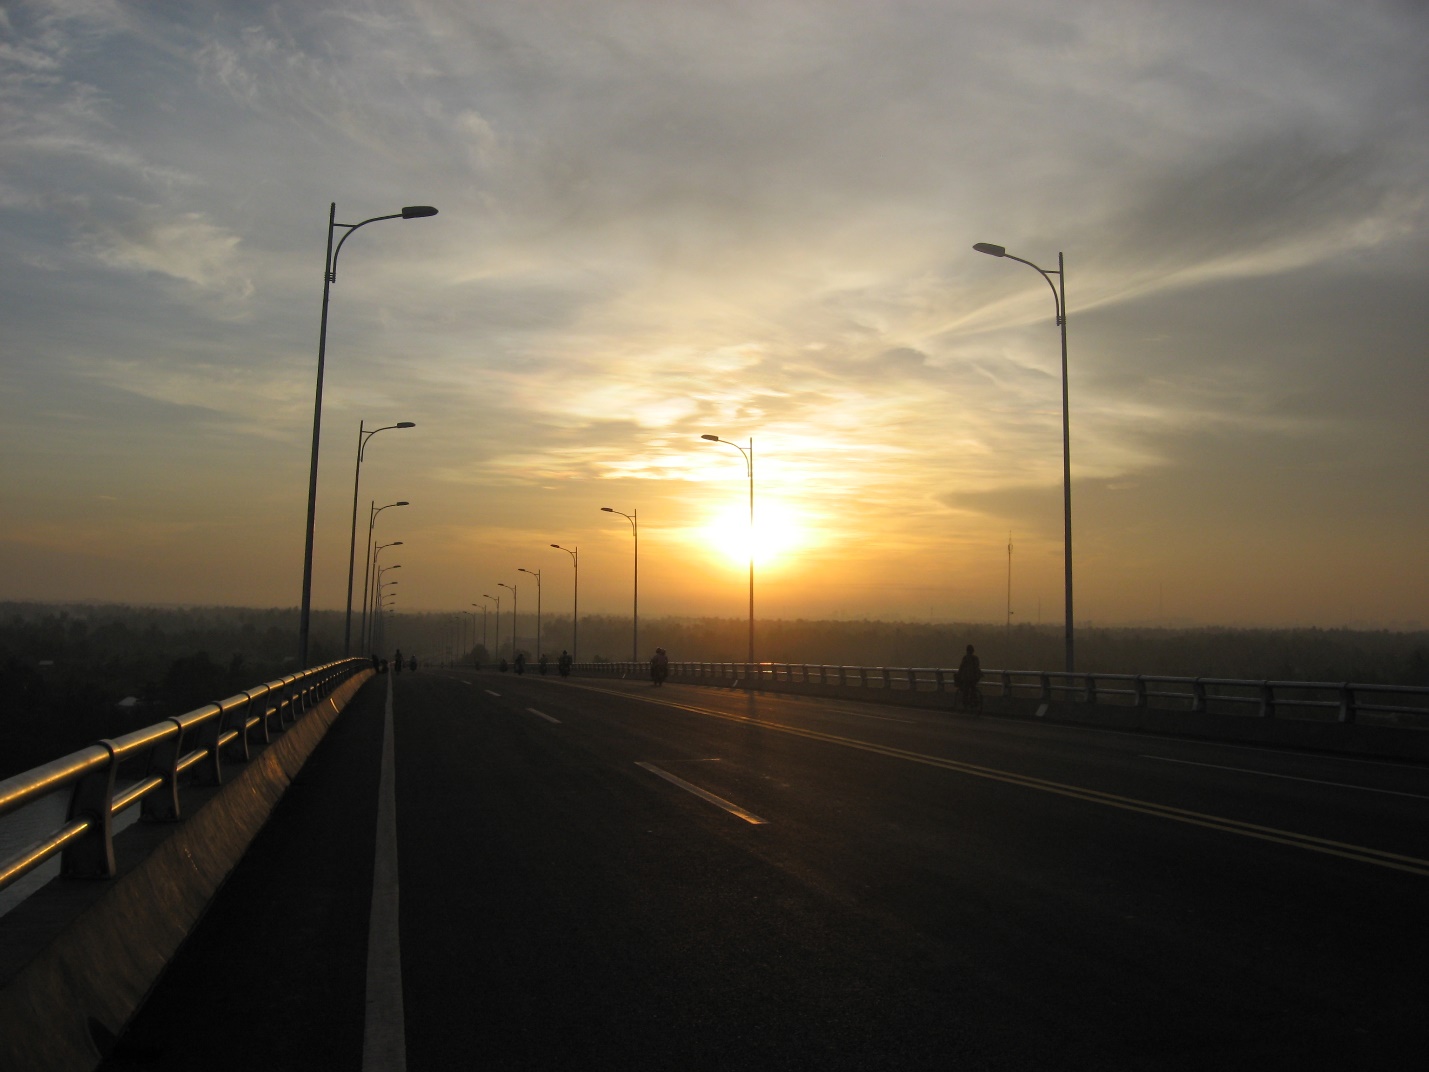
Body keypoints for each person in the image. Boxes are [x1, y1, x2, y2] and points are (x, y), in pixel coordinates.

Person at [956, 644, 982, 710]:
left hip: (967, 678)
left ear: (967, 651)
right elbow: (977, 667)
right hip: (975, 677)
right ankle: (974, 700)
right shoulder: (976, 658)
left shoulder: (965, 658)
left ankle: (965, 704)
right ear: (973, 651)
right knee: (973, 688)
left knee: (966, 690)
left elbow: (961, 667)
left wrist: (959, 675)